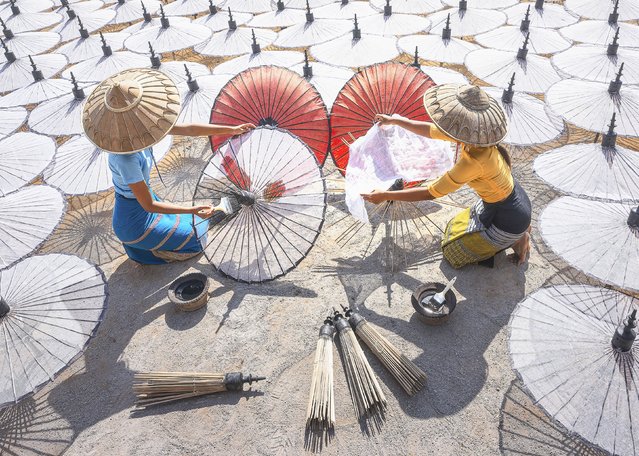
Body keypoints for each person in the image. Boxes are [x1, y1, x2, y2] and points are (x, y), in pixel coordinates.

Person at [82, 68, 254, 265]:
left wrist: (231, 129)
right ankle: (153, 249)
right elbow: (149, 205)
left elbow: (189, 129)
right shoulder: (125, 159)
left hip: (145, 203)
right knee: (197, 239)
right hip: (135, 219)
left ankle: (156, 240)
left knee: (198, 224)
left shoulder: (143, 130)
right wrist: (192, 209)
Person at [361, 84, 531, 268]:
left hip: (509, 217)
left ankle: (519, 238)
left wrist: (385, 195)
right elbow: (430, 131)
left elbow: (430, 193)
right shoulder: (479, 139)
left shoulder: (473, 160)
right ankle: (517, 233)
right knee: (455, 226)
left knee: (452, 253)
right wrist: (395, 121)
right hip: (510, 199)